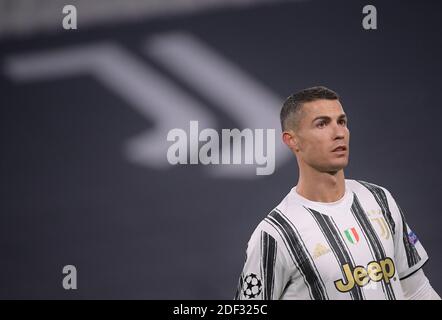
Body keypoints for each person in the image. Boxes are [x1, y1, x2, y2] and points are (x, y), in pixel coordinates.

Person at [234, 86, 440, 300]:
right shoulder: (275, 234)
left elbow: (417, 291)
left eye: (341, 122)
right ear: (292, 140)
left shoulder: (380, 200)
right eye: (322, 124)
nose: (339, 133)